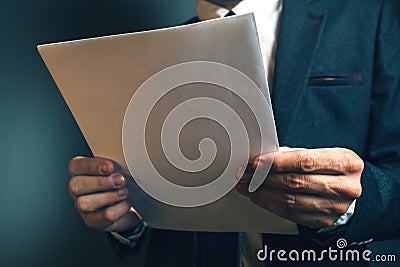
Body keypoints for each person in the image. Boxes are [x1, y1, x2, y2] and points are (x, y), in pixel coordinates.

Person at [67, 0, 400, 266]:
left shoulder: (371, 14)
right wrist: (126, 219)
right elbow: (149, 209)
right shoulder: (145, 55)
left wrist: (354, 203)